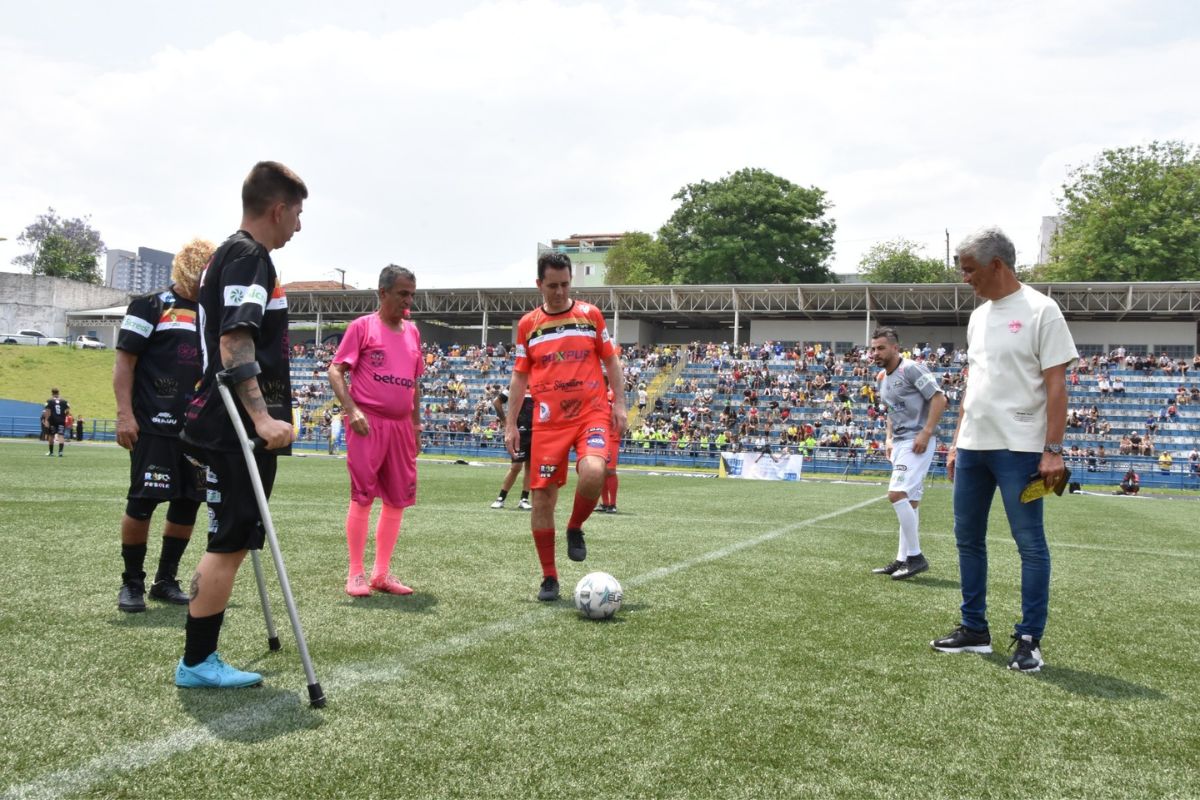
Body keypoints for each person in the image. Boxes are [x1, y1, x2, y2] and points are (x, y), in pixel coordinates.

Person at [175, 160, 305, 689]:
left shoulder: (230, 254)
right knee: (227, 542)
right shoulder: (250, 257)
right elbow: (235, 341)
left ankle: (199, 657)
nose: (298, 225)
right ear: (277, 209)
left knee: (228, 536)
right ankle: (198, 662)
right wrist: (261, 418)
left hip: (224, 421)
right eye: (297, 213)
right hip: (235, 427)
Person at [933, 226, 1077, 673]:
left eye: (970, 270)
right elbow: (973, 385)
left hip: (1020, 449)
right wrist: (957, 442)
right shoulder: (979, 316)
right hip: (974, 446)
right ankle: (974, 628)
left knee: (1029, 544)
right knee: (967, 540)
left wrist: (1052, 450)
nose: (965, 279)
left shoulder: (1041, 310)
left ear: (998, 265)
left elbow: (1056, 385)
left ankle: (1030, 638)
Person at [505, 251, 627, 601]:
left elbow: (611, 361)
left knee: (593, 472)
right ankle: (549, 577)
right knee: (542, 499)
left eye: (565, 284)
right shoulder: (528, 324)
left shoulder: (590, 315)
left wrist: (619, 402)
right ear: (539, 284)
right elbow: (519, 375)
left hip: (590, 413)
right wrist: (511, 423)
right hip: (547, 422)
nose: (559, 292)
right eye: (552, 285)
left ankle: (575, 527)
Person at [112, 238, 212, 612]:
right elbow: (124, 363)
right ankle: (132, 584)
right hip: (154, 424)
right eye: (204, 269)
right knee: (143, 502)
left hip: (199, 429)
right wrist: (125, 414)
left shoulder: (212, 314)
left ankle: (164, 581)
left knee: (188, 503)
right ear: (188, 268)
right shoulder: (149, 305)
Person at [328, 265, 424, 597]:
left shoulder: (412, 333)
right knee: (363, 496)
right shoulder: (361, 328)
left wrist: (416, 424)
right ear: (383, 293)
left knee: (397, 500)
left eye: (411, 294)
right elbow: (336, 371)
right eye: (402, 294)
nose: (408, 301)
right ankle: (356, 573)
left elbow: (415, 382)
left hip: (400, 428)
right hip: (368, 423)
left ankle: (381, 573)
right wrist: (351, 409)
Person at [869, 327, 948, 581]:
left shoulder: (911, 368)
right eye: (873, 349)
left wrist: (926, 432)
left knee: (896, 493)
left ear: (895, 348)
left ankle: (916, 556)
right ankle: (903, 559)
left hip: (917, 441)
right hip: (901, 442)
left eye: (881, 348)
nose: (875, 353)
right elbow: (892, 411)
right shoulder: (881, 378)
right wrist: (888, 438)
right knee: (910, 502)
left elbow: (939, 399)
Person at [490, 386, 533, 510]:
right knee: (516, 466)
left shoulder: (540, 382)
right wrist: (506, 422)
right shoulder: (516, 385)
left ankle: (524, 499)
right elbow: (497, 402)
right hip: (519, 433)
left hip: (536, 432)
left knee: (530, 467)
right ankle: (501, 498)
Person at [598, 386, 622, 513]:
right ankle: (605, 503)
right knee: (601, 471)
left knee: (610, 470)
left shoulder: (612, 394)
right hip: (601, 434)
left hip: (611, 435)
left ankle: (612, 504)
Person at [44, 388, 69, 457]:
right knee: (61, 435)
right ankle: (60, 452)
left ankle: (51, 452)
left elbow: (47, 411)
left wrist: (46, 420)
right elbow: (67, 411)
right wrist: (64, 416)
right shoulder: (64, 401)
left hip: (52, 420)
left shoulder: (49, 401)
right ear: (58, 393)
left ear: (52, 393)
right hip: (61, 420)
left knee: (51, 436)